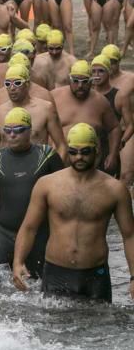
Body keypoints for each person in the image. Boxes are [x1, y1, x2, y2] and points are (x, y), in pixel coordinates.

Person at [13, 123, 134, 302]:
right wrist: (18, 262)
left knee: (97, 328)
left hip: (95, 275)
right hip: (56, 273)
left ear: (97, 150)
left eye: (85, 152)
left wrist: (133, 277)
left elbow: (129, 235)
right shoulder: (47, 184)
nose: (79, 157)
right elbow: (29, 227)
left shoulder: (115, 189)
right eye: (73, 152)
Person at [0, 108, 63, 275]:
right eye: (7, 130)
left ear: (30, 131)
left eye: (18, 130)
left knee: (35, 287)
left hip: (37, 235)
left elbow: (63, 195)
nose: (12, 135)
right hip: (4, 233)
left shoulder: (47, 156)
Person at [51, 61, 120, 173]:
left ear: (91, 81)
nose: (80, 86)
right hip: (60, 166)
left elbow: (114, 128)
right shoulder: (54, 97)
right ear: (69, 80)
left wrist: (113, 154)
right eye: (76, 81)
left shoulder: (100, 101)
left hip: (91, 168)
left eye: (85, 82)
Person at [0, 64, 66, 157]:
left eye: (17, 83)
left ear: (27, 84)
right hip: (8, 168)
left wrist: (56, 170)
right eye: (8, 84)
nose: (12, 88)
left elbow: (61, 146)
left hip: (39, 168)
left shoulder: (46, 109)